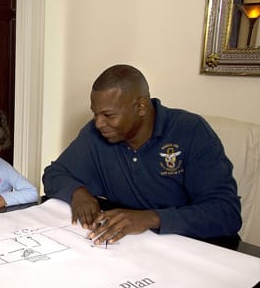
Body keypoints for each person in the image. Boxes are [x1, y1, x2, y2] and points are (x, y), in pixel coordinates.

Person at [42, 64, 241, 246]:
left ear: (141, 107)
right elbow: (54, 174)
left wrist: (151, 218)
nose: (98, 123)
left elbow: (226, 213)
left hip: (197, 248)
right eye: (95, 114)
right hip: (134, 248)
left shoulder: (191, 131)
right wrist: (77, 192)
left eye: (109, 115)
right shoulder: (95, 134)